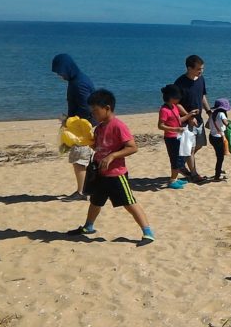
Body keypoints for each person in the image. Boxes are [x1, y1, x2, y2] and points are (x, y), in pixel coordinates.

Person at [66, 89, 155, 246]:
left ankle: (147, 232)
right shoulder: (99, 128)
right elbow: (99, 147)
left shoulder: (118, 126)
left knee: (129, 202)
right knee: (95, 202)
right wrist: (84, 140)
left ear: (107, 108)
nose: (93, 114)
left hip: (116, 174)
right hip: (100, 173)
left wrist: (112, 156)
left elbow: (133, 147)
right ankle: (88, 227)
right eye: (91, 111)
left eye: (95, 111)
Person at [51, 54, 96, 201]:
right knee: (83, 160)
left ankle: (82, 192)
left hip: (82, 129)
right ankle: (86, 190)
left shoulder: (79, 83)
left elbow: (85, 109)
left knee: (79, 161)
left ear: (68, 68)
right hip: (81, 126)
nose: (60, 76)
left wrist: (70, 122)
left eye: (60, 72)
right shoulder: (77, 79)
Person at [174, 55, 211, 183]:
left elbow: (202, 96)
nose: (201, 71)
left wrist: (208, 111)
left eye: (202, 68)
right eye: (199, 69)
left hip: (199, 119)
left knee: (200, 144)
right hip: (186, 121)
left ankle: (181, 162)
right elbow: (176, 103)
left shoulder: (201, 79)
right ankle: (194, 174)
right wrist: (189, 117)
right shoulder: (180, 83)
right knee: (190, 148)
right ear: (189, 68)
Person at [158, 84, 198, 189]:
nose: (179, 100)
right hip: (171, 138)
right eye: (177, 98)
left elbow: (178, 120)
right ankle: (172, 180)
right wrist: (175, 129)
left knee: (179, 158)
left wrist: (189, 115)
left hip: (178, 136)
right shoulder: (164, 110)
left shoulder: (174, 106)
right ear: (171, 98)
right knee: (175, 160)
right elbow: (160, 125)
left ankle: (175, 179)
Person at [208, 98, 231, 181]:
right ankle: (217, 176)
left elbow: (207, 126)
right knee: (220, 158)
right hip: (218, 138)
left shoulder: (212, 114)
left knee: (219, 155)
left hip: (212, 137)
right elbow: (226, 123)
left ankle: (218, 170)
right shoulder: (222, 113)